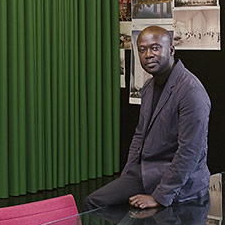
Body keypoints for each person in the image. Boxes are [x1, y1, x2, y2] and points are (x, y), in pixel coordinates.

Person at [85, 25, 210, 210]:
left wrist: (159, 197)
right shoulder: (149, 87)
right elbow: (139, 135)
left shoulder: (191, 91)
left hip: (181, 181)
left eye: (155, 48)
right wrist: (127, 174)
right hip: (148, 172)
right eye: (142, 50)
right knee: (108, 205)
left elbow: (190, 152)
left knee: (93, 203)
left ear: (171, 50)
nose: (148, 54)